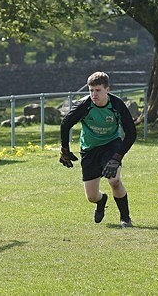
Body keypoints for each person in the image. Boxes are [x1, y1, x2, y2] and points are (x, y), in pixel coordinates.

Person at [60, 71, 137, 228]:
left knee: (114, 180)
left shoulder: (117, 105)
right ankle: (102, 201)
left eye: (98, 90)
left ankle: (125, 218)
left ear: (107, 89)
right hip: (89, 149)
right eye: (91, 90)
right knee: (92, 197)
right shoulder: (84, 106)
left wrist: (117, 158)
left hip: (111, 144)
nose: (94, 94)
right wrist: (65, 150)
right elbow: (65, 124)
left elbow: (131, 134)